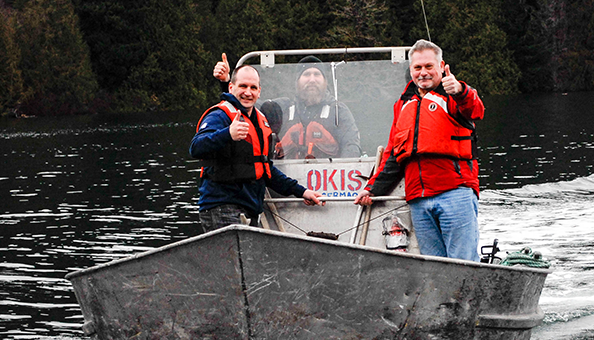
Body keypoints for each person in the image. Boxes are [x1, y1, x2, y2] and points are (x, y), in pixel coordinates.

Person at [353, 39, 485, 261]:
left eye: (428, 66)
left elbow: (475, 109)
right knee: (432, 267)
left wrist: (461, 90)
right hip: (419, 200)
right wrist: (372, 188)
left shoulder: (454, 94)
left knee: (463, 264)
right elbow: (393, 153)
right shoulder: (403, 104)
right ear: (411, 70)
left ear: (441, 67)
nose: (423, 73)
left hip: (455, 193)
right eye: (417, 67)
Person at [191, 65, 325, 232]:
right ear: (231, 87)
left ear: (259, 92)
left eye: (253, 88)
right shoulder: (219, 116)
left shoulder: (260, 120)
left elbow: (265, 168)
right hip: (222, 206)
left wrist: (302, 191)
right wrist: (228, 134)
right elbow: (196, 148)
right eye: (243, 86)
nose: (248, 92)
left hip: (249, 209)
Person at [213, 54, 362, 159]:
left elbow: (352, 146)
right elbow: (245, 104)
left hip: (330, 182)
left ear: (325, 82)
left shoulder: (338, 111)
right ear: (297, 82)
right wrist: (226, 82)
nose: (312, 80)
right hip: (286, 186)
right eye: (306, 74)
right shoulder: (282, 107)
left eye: (317, 74)